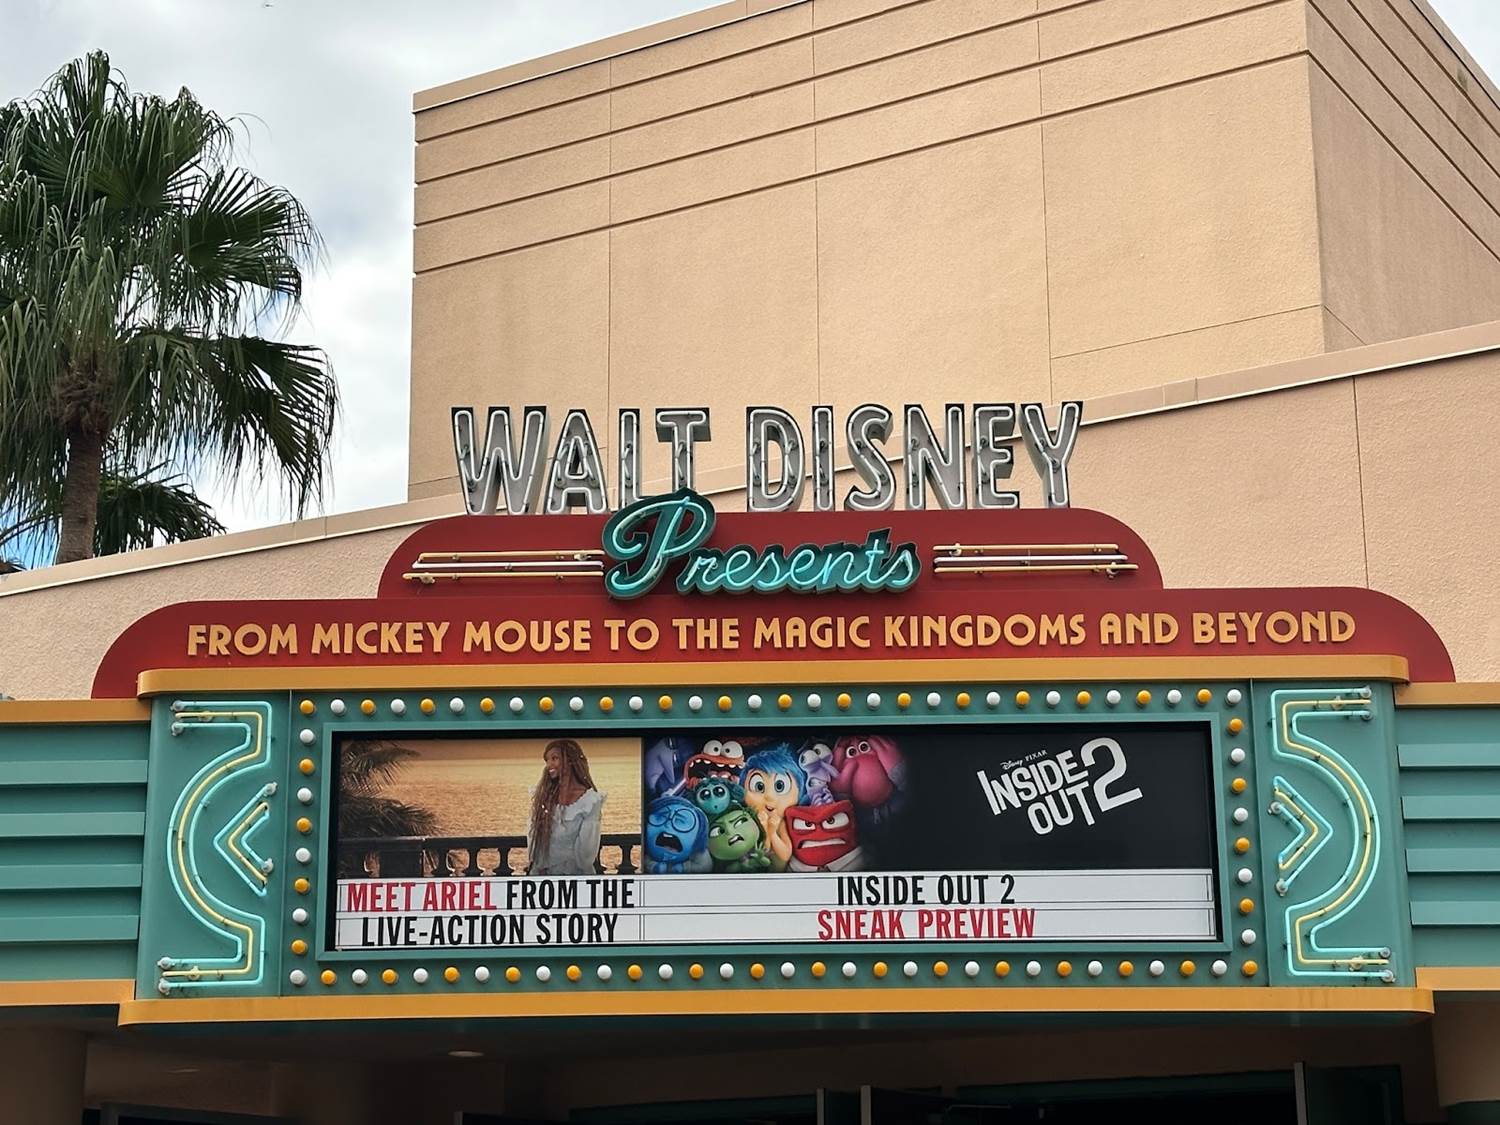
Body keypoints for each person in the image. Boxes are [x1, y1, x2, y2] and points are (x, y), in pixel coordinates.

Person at [527, 739, 606, 875]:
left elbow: (585, 855)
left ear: (570, 760)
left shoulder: (589, 802)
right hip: (543, 876)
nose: (549, 765)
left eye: (554, 758)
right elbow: (533, 844)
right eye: (547, 760)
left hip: (576, 876)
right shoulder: (543, 797)